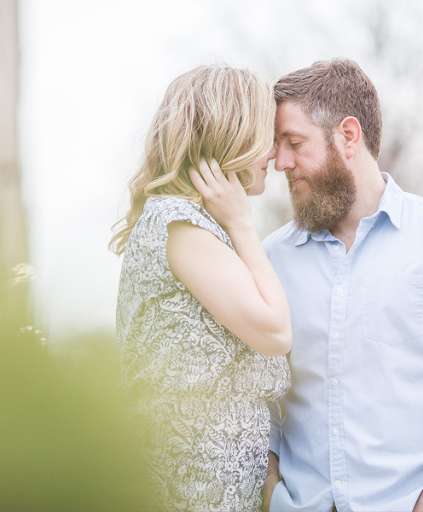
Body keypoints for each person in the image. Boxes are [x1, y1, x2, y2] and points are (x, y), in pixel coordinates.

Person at [261, 59, 423, 512]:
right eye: (277, 146)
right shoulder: (272, 260)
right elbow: (259, 405)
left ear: (348, 136)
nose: (280, 162)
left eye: (294, 143)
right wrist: (272, 498)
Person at [111, 64, 292, 511]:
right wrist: (243, 226)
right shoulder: (182, 225)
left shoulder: (193, 227)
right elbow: (274, 332)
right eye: (263, 135)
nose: (272, 151)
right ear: (230, 135)